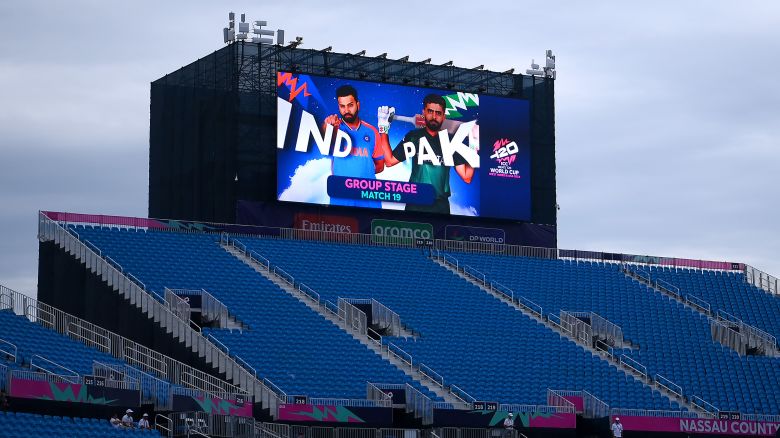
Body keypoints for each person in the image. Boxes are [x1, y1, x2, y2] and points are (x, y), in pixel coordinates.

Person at [379, 94, 476, 214]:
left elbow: (467, 177)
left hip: (441, 207)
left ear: (443, 116)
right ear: (423, 112)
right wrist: (383, 129)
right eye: (430, 111)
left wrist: (474, 146)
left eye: (438, 113)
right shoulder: (414, 137)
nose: (434, 116)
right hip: (415, 204)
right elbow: (389, 161)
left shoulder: (451, 141)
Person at [321, 84, 385, 208]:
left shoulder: (372, 131)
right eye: (342, 106)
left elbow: (380, 166)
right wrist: (327, 125)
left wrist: (361, 179)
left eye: (350, 105)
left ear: (358, 105)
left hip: (369, 200)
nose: (346, 110)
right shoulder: (334, 128)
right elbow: (324, 135)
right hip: (341, 199)